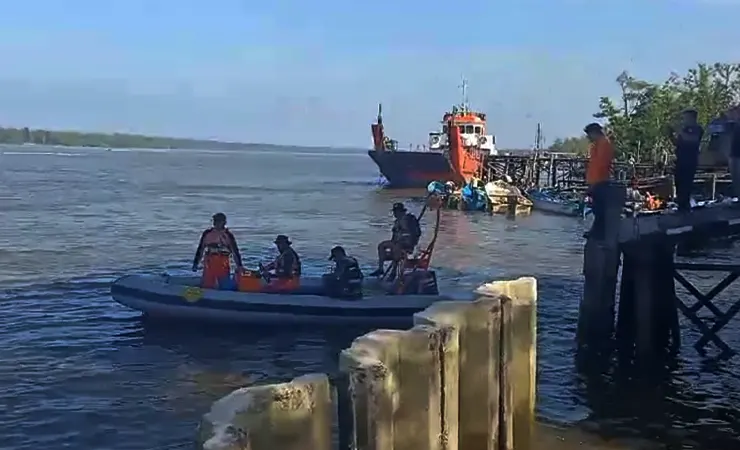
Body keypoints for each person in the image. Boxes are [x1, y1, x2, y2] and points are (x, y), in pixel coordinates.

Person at [369, 202, 422, 277]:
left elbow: (416, 233)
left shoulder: (409, 219)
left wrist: (410, 240)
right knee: (382, 245)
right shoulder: (396, 222)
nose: (395, 213)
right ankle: (380, 268)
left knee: (396, 247)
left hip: (406, 243)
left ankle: (393, 272)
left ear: (401, 211)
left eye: (396, 211)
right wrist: (392, 242)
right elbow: (394, 235)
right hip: (396, 243)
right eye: (394, 212)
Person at [192, 213, 243, 289]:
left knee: (225, 285)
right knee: (207, 284)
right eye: (215, 221)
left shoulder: (228, 235)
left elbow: (235, 252)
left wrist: (239, 266)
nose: (216, 223)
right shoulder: (207, 234)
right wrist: (195, 264)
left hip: (223, 263)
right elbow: (200, 249)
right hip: (209, 263)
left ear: (224, 222)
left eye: (219, 221)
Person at [668, 109, 704, 212]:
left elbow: (693, 139)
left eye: (686, 117)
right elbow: (678, 143)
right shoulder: (684, 130)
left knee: (686, 184)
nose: (684, 120)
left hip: (690, 160)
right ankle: (681, 207)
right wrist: (671, 135)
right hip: (680, 159)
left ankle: (686, 207)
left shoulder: (697, 129)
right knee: (678, 183)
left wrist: (679, 131)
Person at [584, 123, 614, 241]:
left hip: (600, 181)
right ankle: (597, 232)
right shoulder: (596, 144)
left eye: (589, 134)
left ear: (595, 132)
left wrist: (594, 184)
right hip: (595, 181)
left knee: (600, 210)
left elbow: (601, 165)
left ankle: (599, 233)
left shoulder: (604, 144)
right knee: (597, 209)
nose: (588, 137)